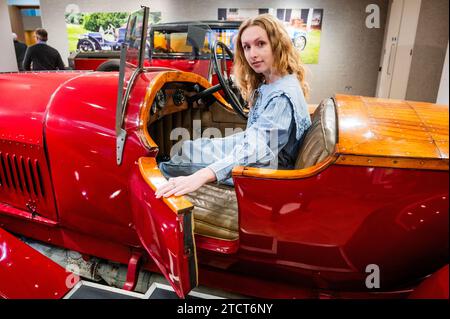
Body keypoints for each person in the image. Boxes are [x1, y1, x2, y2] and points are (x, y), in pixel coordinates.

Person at [155, 14, 311, 198]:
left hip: (266, 168)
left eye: (260, 44)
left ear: (277, 45)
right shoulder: (272, 82)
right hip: (258, 150)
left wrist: (202, 175)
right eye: (247, 47)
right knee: (191, 146)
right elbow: (256, 136)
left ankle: (158, 177)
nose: (252, 54)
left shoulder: (281, 97)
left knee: (173, 166)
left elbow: (257, 149)